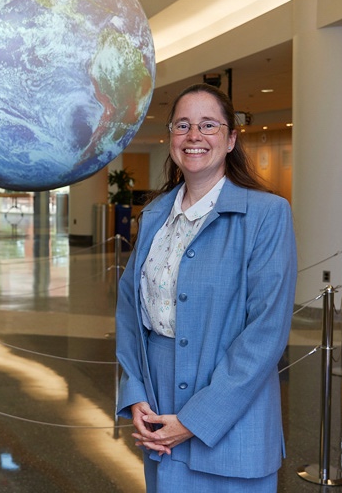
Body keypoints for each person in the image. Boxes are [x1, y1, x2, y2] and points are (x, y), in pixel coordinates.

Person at [115, 84, 297, 492]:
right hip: (158, 411)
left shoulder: (267, 215)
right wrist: (135, 392)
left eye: (208, 125)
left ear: (231, 139)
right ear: (171, 138)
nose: (194, 136)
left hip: (233, 422)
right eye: (183, 125)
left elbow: (266, 333)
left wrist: (196, 420)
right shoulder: (155, 215)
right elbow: (130, 310)